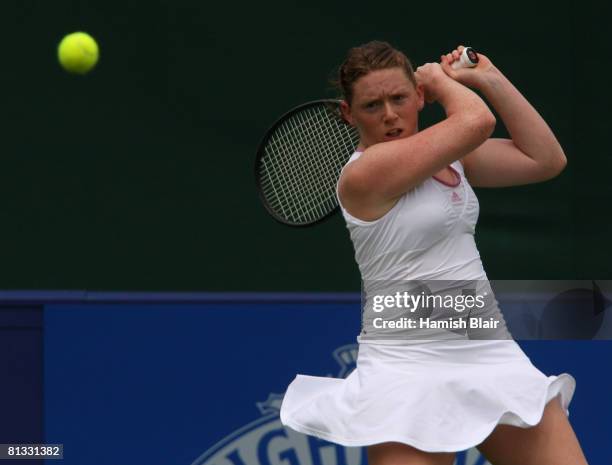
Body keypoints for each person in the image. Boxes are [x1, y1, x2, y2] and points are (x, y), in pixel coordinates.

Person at [279, 41, 589, 465]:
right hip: (405, 369)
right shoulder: (364, 174)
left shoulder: (454, 159)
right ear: (348, 115)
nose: (389, 114)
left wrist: (488, 78)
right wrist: (443, 83)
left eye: (399, 98)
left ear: (416, 98)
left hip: (488, 351)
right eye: (372, 105)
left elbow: (545, 159)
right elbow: (477, 119)